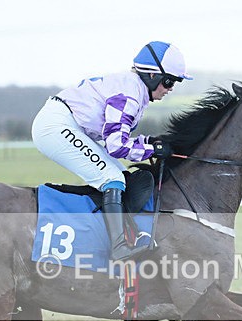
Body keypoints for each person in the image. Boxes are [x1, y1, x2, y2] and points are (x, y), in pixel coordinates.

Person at [32, 41, 192, 261]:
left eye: (175, 83)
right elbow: (116, 146)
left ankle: (113, 234)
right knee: (112, 177)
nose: (170, 89)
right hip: (56, 126)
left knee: (120, 178)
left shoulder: (133, 88)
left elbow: (117, 136)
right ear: (153, 75)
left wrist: (150, 142)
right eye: (169, 81)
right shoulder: (130, 94)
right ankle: (118, 247)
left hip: (67, 123)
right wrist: (150, 149)